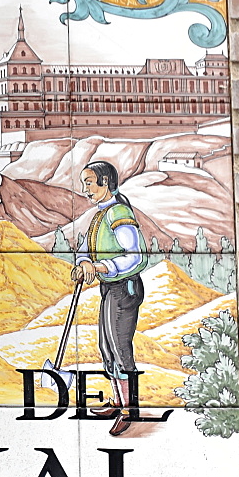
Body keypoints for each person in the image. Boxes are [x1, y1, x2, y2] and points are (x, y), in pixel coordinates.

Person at [71, 161, 148, 437]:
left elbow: (135, 257)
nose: (85, 190)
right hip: (110, 289)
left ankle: (130, 409)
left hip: (124, 289)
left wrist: (101, 268)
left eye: (89, 183)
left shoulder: (118, 214)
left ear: (105, 182)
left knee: (120, 348)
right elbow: (86, 249)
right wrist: (82, 264)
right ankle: (118, 401)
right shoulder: (100, 216)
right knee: (107, 347)